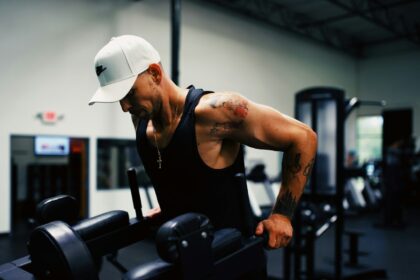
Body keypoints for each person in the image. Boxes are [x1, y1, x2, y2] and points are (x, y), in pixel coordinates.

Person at [89, 35, 317, 251]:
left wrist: (281, 215)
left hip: (231, 259)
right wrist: (172, 205)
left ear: (155, 73)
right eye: (119, 98)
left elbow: (303, 138)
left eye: (129, 93)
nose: (124, 106)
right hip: (181, 254)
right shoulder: (140, 119)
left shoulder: (217, 112)